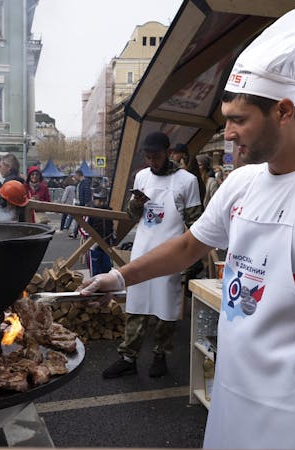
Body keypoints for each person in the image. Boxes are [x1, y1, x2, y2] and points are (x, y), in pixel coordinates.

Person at [82, 5, 295, 450]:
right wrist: (119, 277)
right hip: (231, 393)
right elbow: (189, 246)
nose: (228, 133)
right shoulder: (243, 181)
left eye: (238, 120)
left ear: (284, 112)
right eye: (226, 119)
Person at [101, 131, 201, 380]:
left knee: (166, 309)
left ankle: (160, 355)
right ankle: (128, 358)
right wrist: (136, 204)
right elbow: (133, 215)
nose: (151, 162)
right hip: (142, 250)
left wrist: (193, 256)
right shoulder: (142, 176)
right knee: (136, 305)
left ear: (168, 153)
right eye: (147, 157)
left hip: (171, 255)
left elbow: (196, 222)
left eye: (155, 157)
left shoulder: (187, 181)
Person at [85, 191, 116, 276]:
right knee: (95, 269)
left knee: (107, 268)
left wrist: (113, 240)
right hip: (94, 244)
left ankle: (105, 286)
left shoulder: (109, 210)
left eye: (103, 200)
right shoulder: (90, 211)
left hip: (106, 243)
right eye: (97, 200)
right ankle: (95, 286)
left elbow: (111, 226)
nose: (101, 202)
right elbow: (85, 226)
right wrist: (89, 237)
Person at [68, 167, 92, 238]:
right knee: (79, 219)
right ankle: (75, 232)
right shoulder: (81, 183)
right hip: (80, 203)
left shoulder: (85, 183)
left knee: (80, 219)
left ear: (79, 175)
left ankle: (76, 232)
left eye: (75, 176)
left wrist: (86, 203)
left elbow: (86, 194)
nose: (75, 177)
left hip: (83, 204)